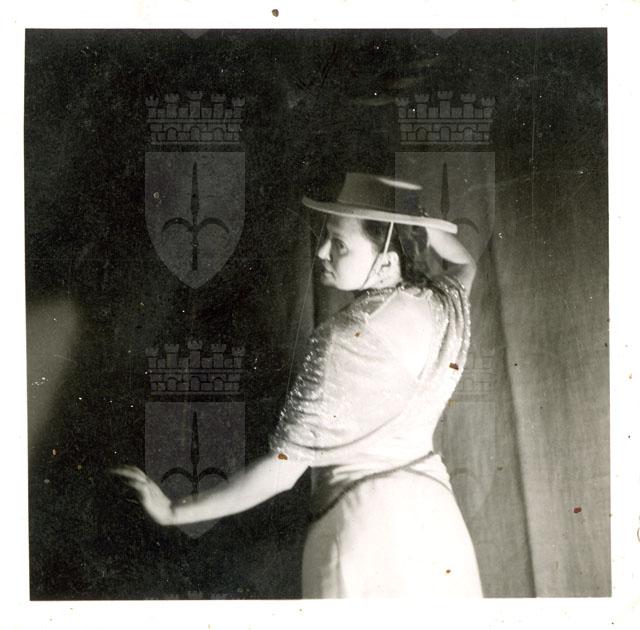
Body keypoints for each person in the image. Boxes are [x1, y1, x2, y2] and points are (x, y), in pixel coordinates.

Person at [114, 172, 483, 598]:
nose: (322, 250)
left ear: (385, 261)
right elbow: (466, 263)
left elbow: (283, 470)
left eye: (339, 244)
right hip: (438, 527)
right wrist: (414, 223)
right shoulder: (444, 303)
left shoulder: (344, 338)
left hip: (362, 528)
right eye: (327, 237)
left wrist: (175, 511)